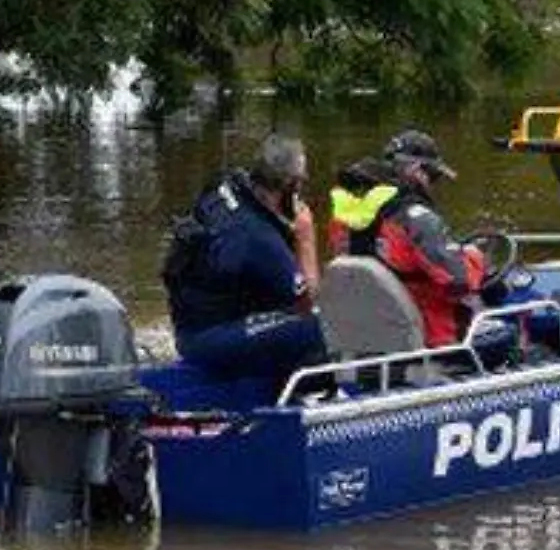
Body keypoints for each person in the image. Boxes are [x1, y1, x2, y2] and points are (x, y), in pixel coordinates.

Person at [164, 134, 325, 379]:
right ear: (290, 186)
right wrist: (305, 238)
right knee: (314, 324)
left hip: (188, 322)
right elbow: (307, 301)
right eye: (301, 183)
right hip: (205, 341)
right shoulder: (260, 238)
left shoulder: (224, 186)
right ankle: (301, 397)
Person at [330, 129, 486, 348]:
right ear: (416, 171)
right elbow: (459, 281)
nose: (432, 184)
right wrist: (475, 258)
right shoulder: (416, 220)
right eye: (433, 176)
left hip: (373, 333)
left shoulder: (349, 218)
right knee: (510, 332)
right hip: (435, 335)